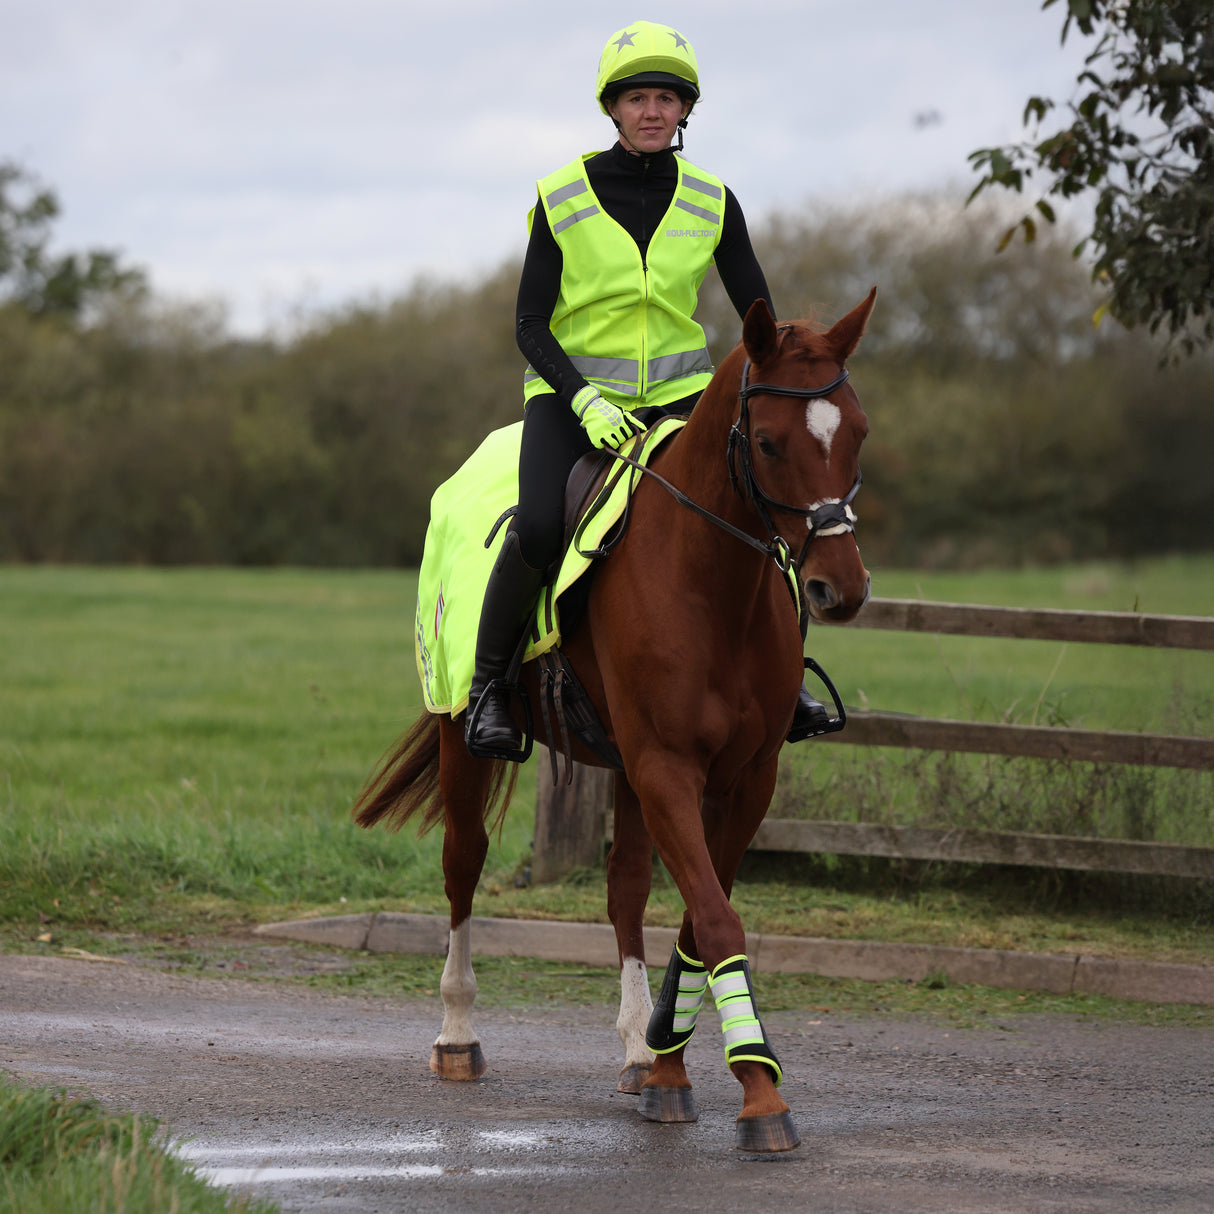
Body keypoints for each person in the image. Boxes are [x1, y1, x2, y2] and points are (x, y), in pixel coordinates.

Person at [465, 19, 828, 758]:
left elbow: (763, 321)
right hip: (574, 402)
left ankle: (786, 679)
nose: (653, 111)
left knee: (770, 515)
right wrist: (583, 399)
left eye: (667, 97)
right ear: (612, 109)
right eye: (637, 98)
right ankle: (490, 690)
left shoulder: (713, 201)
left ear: (686, 110)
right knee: (537, 527)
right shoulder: (561, 196)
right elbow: (530, 323)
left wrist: (802, 370)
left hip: (682, 400)